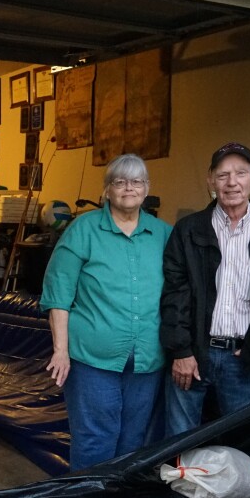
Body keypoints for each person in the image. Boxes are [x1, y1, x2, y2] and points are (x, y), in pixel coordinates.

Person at [160, 142, 250, 436]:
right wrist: (181, 350)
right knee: (178, 445)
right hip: (192, 355)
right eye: (223, 175)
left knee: (240, 444)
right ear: (211, 181)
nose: (232, 182)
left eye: (240, 173)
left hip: (244, 358)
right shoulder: (189, 230)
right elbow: (174, 292)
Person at [41, 153, 172, 471]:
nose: (129, 188)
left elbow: (181, 292)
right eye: (120, 181)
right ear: (107, 190)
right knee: (95, 440)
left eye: (137, 181)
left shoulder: (164, 234)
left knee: (133, 440)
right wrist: (61, 351)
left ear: (147, 188)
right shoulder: (83, 229)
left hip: (148, 359)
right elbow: (59, 292)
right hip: (92, 360)